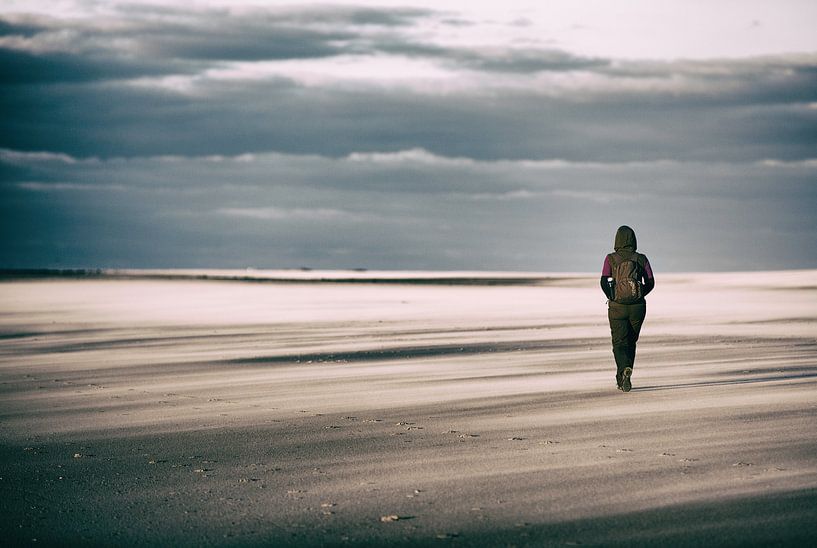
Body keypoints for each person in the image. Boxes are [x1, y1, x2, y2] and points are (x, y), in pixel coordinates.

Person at [600, 225, 655, 392]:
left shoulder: (611, 258)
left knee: (619, 342)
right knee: (631, 341)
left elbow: (603, 281)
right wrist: (639, 294)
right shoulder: (641, 259)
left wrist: (613, 296)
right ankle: (624, 375)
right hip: (638, 307)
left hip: (617, 307)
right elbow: (650, 282)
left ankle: (623, 370)